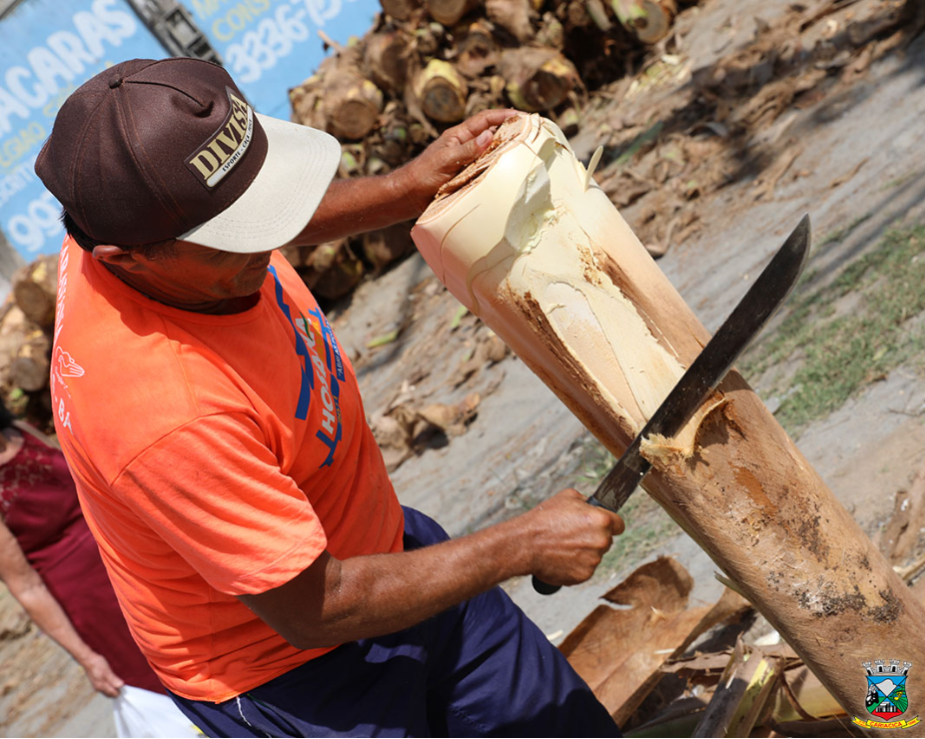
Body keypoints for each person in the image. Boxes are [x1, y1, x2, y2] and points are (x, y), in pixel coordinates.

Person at [34, 57, 624, 738]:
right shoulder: (161, 413)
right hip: (300, 676)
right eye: (234, 237)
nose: (266, 239)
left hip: (389, 556)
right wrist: (519, 544)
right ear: (123, 258)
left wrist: (404, 188)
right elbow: (318, 606)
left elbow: (259, 206)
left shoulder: (133, 210)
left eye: (262, 205)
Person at [0, 403, 197, 737]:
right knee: (160, 682)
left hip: (126, 552)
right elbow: (25, 587)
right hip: (90, 599)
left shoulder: (19, 431)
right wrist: (87, 659)